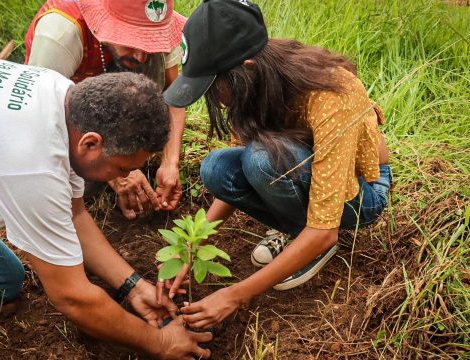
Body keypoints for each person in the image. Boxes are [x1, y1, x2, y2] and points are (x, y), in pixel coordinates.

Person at [0, 57, 211, 359]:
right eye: (122, 168)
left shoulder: (68, 101)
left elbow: (74, 214)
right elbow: (71, 296)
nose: (125, 178)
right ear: (90, 143)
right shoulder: (29, 162)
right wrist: (160, 343)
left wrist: (134, 286)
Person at [159, 0, 392, 329]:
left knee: (262, 160)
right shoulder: (255, 87)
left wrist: (236, 295)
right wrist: (192, 247)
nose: (215, 97)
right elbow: (232, 183)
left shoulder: (330, 94)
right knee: (216, 168)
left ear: (246, 68)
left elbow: (323, 229)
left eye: (214, 86)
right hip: (306, 173)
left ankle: (303, 240)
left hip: (363, 193)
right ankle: (294, 228)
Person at [25, 0, 188, 220]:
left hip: (109, 115)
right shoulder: (62, 32)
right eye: (132, 41)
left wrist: (170, 163)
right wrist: (118, 174)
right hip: (69, 121)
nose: (141, 57)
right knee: (74, 184)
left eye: (148, 44)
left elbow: (173, 96)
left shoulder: (153, 18)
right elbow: (37, 118)